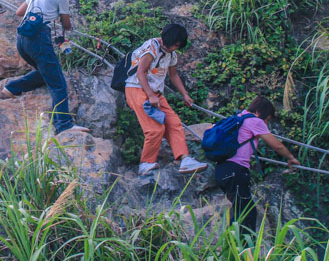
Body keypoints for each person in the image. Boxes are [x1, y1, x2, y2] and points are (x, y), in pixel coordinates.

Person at [2, 0, 90, 135]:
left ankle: (12, 88)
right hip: (39, 39)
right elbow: (66, 25)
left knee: (47, 73)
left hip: (22, 39)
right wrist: (58, 17)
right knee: (58, 83)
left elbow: (19, 12)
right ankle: (64, 124)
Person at [124, 23, 210, 176]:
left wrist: (184, 94)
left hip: (156, 94)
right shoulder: (152, 47)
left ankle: (185, 159)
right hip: (137, 89)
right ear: (168, 40)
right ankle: (146, 163)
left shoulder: (171, 54)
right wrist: (150, 95)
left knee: (174, 123)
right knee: (155, 129)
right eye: (175, 45)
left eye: (178, 46)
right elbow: (141, 72)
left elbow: (174, 75)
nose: (175, 48)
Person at [214, 95, 300, 235]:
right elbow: (277, 146)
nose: (266, 124)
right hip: (235, 171)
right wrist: (290, 158)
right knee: (247, 213)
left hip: (222, 171)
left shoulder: (238, 117)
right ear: (261, 113)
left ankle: (233, 249)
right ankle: (244, 252)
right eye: (267, 120)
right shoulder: (254, 121)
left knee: (240, 209)